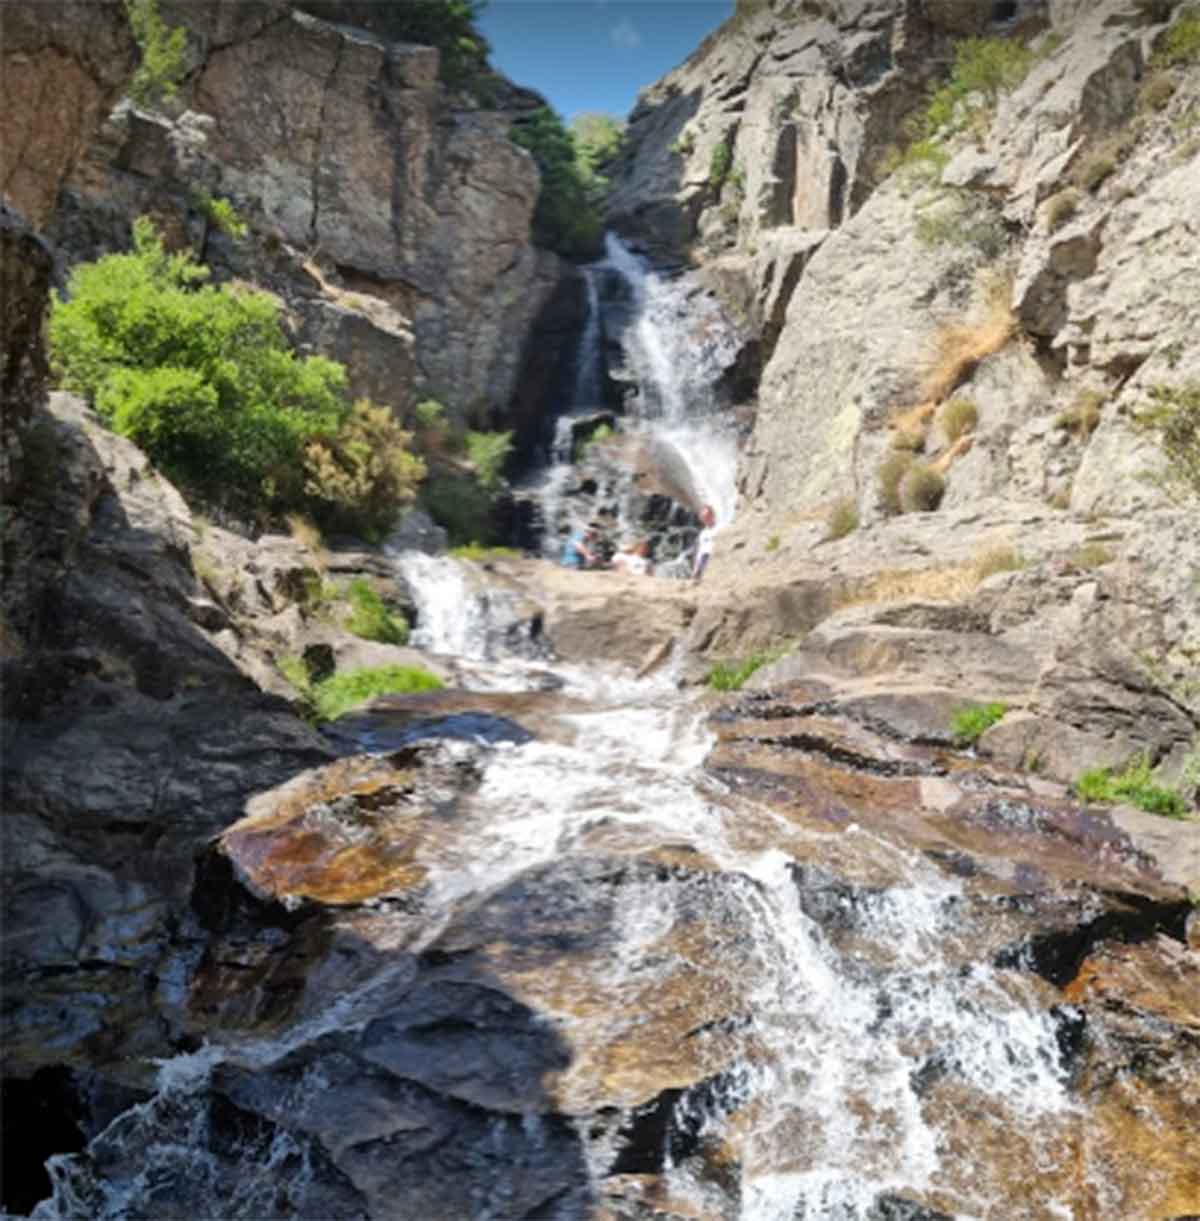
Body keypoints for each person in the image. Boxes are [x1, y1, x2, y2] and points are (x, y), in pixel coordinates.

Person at [692, 505, 716, 582]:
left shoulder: (721, 528)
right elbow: (700, 551)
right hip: (704, 561)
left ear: (713, 515)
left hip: (715, 558)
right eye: (704, 517)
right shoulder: (703, 533)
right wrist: (696, 568)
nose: (706, 519)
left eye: (708, 516)